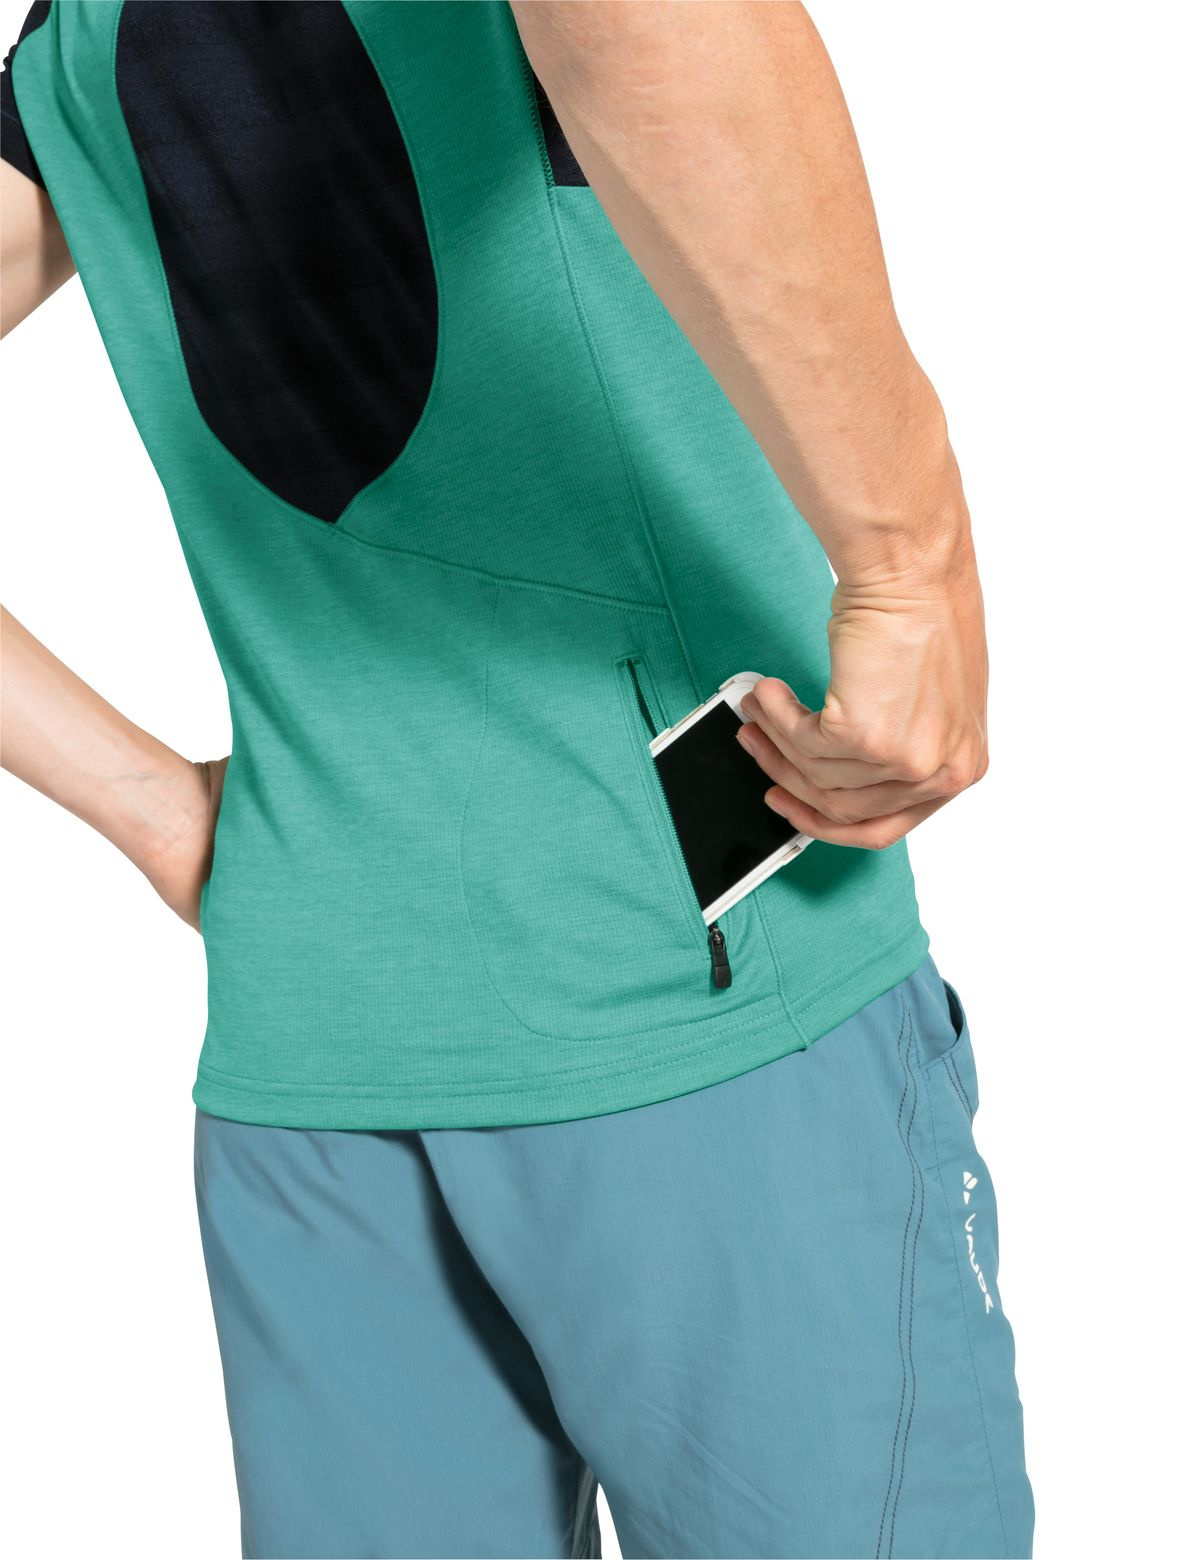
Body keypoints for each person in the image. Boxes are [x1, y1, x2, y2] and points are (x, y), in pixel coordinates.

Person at [0, 3, 1034, 1557]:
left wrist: (154, 808)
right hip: (683, 985)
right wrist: (910, 565)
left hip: (312, 1041)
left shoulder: (71, 36)